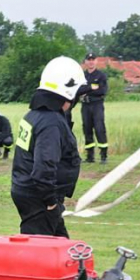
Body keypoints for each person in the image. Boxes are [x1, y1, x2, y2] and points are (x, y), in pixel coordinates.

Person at [11, 56, 86, 238]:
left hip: (30, 192)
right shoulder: (51, 122)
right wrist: (51, 202)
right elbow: (44, 167)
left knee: (63, 250)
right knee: (39, 256)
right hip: (40, 199)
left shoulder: (34, 115)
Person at [80, 53, 109, 164]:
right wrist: (92, 87)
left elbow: (102, 91)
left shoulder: (101, 75)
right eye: (89, 60)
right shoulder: (82, 76)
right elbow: (79, 90)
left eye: (93, 59)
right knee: (87, 129)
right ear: (85, 62)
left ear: (96, 61)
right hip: (85, 105)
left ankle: (103, 155)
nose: (91, 62)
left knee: (99, 128)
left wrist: (87, 90)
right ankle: (90, 156)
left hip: (97, 105)